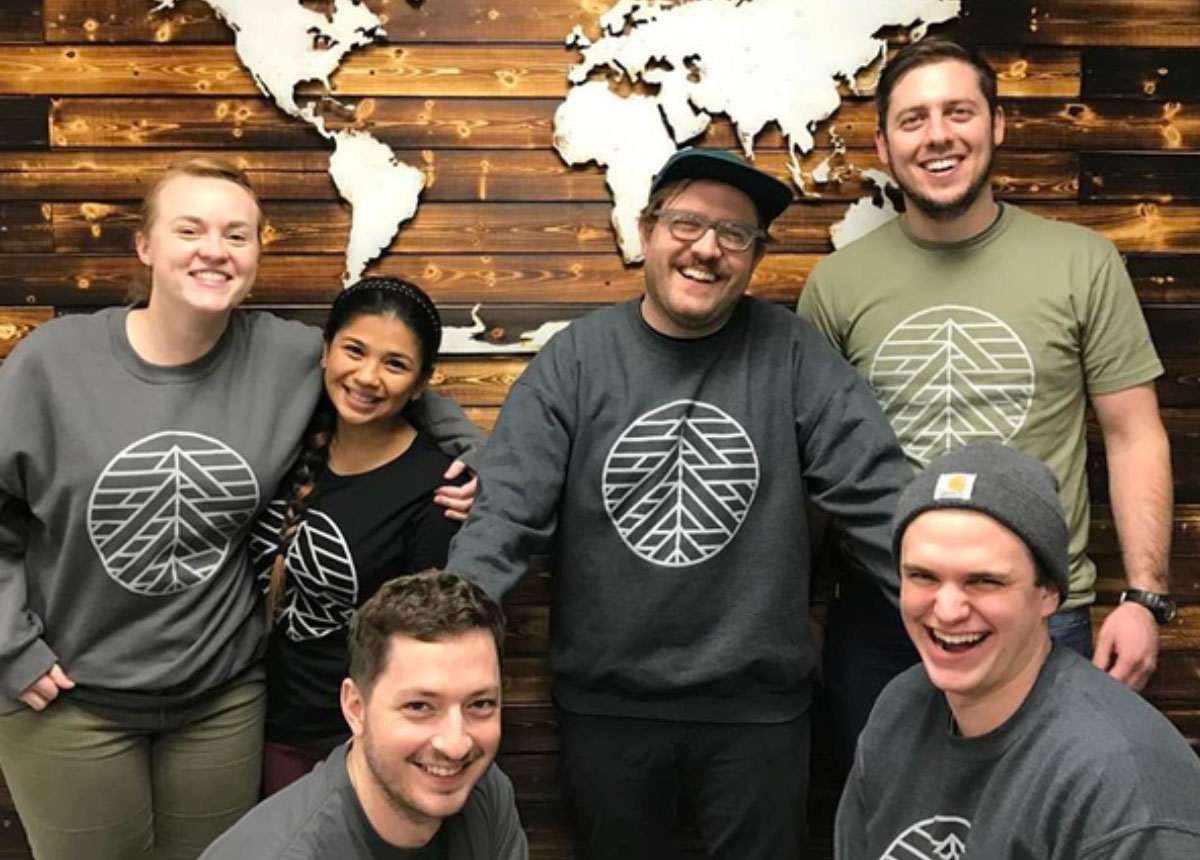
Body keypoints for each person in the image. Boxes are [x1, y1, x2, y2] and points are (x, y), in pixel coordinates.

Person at [0, 157, 482, 860]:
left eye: (237, 234)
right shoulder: (52, 362)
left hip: (222, 704)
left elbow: (394, 382)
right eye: (189, 229)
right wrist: (11, 647)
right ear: (145, 245)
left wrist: (484, 468)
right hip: (73, 702)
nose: (214, 251)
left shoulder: (286, 357)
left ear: (258, 252)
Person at [448, 147, 911, 859]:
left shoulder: (795, 356)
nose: (707, 248)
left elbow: (878, 497)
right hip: (608, 709)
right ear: (646, 232)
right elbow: (506, 510)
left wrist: (958, 589)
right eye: (688, 222)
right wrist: (442, 640)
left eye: (735, 235)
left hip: (759, 713)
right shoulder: (576, 360)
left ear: (754, 256)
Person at [798, 36, 1173, 771]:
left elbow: (1134, 435)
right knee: (893, 829)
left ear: (997, 125)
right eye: (914, 119)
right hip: (882, 615)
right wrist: (793, 615)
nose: (938, 135)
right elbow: (809, 467)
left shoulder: (1081, 263)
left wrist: (1146, 598)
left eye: (958, 112)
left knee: (1037, 821)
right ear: (884, 143)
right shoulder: (836, 286)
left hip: (1041, 608)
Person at [836, 442, 1200, 858]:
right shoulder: (898, 710)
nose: (948, 609)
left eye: (984, 581)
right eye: (922, 576)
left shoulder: (1122, 786)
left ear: (1048, 593)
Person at [251, 276, 467, 794]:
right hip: (249, 728)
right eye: (355, 350)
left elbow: (422, 646)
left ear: (420, 383)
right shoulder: (279, 446)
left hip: (359, 744)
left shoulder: (438, 490)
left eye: (395, 364)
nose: (368, 376)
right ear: (325, 352)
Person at [200, 569, 528, 860]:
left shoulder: (484, 791)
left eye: (480, 704)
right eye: (419, 707)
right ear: (355, 708)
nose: (456, 745)